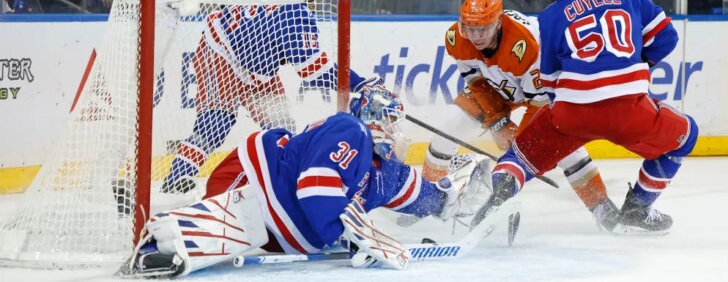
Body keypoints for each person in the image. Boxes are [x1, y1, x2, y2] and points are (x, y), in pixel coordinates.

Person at [122, 86, 493, 277]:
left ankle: (174, 233)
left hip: (282, 230)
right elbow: (315, 188)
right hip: (255, 179)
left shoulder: (386, 172)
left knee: (242, 235)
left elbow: (422, 195)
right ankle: (159, 233)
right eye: (390, 122)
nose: (394, 133)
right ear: (374, 119)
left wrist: (458, 204)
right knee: (233, 222)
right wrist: (342, 234)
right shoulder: (352, 130)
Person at [478, 0, 699, 234]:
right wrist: (637, 65)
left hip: (572, 115)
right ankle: (638, 208)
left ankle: (497, 200)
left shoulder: (551, 16)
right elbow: (667, 38)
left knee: (519, 158)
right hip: (630, 112)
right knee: (686, 135)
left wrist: (571, 108)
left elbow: (551, 80)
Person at [162, 0, 381, 194]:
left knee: (281, 128)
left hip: (257, 66)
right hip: (221, 53)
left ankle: (280, 187)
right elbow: (315, 73)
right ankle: (175, 179)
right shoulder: (295, 16)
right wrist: (360, 84)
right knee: (215, 123)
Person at [422, 0, 618, 231]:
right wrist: (498, 123)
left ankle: (602, 208)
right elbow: (475, 82)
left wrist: (520, 153)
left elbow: (539, 104)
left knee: (565, 147)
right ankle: (427, 197)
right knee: (449, 126)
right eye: (470, 28)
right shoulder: (457, 38)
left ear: (498, 21)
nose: (476, 36)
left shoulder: (525, 44)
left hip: (547, 88)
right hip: (497, 87)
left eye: (483, 29)